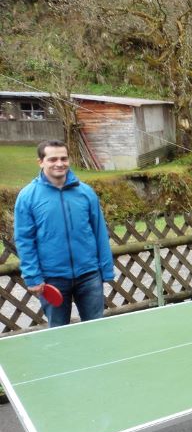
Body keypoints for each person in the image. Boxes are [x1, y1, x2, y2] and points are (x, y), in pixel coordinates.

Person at [14, 139, 115, 327]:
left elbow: (99, 231)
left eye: (64, 158)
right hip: (52, 279)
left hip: (89, 275)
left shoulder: (86, 193)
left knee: (97, 330)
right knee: (58, 332)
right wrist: (33, 277)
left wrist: (106, 269)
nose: (59, 163)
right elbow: (24, 240)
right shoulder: (27, 197)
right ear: (41, 162)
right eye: (53, 159)